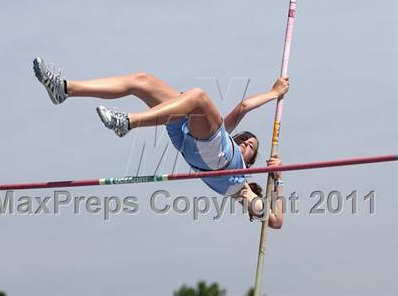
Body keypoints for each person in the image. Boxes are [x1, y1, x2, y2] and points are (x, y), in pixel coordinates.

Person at [33, 57, 288, 227]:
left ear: (250, 162)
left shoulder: (240, 185)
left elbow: (275, 221)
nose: (245, 143)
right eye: (244, 139)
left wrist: (277, 178)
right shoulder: (223, 132)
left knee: (198, 97)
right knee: (141, 81)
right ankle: (64, 88)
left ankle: (129, 122)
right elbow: (243, 107)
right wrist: (273, 92)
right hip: (190, 138)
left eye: (250, 148)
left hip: (212, 156)